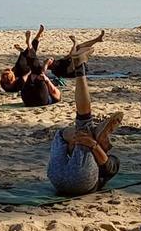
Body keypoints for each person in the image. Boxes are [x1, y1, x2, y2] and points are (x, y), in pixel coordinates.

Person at [47, 59, 124, 196]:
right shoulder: (91, 155)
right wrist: (93, 143)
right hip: (58, 178)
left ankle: (80, 69)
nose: (109, 144)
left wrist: (94, 145)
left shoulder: (113, 161)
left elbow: (108, 167)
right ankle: (93, 130)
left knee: (79, 128)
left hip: (75, 181)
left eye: (107, 142)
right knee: (75, 132)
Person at [1, 26, 45, 92]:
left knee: (30, 55)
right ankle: (33, 41)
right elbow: (27, 75)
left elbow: (27, 75)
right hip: (23, 70)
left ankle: (32, 42)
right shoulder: (18, 82)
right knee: (29, 55)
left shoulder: (4, 84)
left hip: (23, 70)